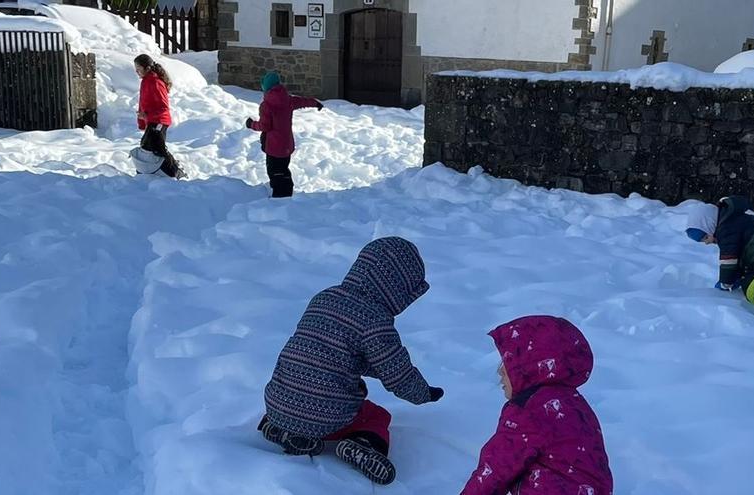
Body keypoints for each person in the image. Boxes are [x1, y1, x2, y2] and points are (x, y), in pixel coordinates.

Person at [258, 237, 442, 485]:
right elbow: (397, 373)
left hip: (277, 402)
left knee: (300, 401)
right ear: (399, 290)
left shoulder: (324, 298)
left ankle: (285, 429)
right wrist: (423, 393)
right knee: (377, 416)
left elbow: (335, 351)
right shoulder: (374, 320)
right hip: (327, 414)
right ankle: (362, 444)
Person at [460, 315, 613, 495]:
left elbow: (496, 469)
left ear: (530, 366)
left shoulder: (529, 410)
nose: (500, 371)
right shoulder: (575, 404)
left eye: (508, 361)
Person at [245, 71, 322, 198]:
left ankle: (279, 198)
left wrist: (251, 124)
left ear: (266, 88)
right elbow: (303, 101)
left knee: (274, 172)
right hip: (286, 145)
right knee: (284, 169)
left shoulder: (266, 106)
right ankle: (287, 191)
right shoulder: (288, 100)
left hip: (274, 147)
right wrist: (315, 103)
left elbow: (265, 126)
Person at [133, 54, 186, 179]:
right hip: (152, 120)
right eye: (136, 70)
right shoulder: (146, 81)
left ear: (147, 68)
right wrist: (142, 120)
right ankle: (149, 173)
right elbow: (143, 102)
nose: (137, 72)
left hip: (159, 120)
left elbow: (163, 106)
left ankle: (175, 171)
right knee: (146, 146)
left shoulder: (155, 82)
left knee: (157, 148)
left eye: (139, 69)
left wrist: (147, 115)